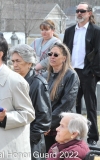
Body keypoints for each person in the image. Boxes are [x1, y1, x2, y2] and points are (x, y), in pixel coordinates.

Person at [63, 2, 100, 147]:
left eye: (82, 11)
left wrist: (94, 73)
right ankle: (76, 134)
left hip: (88, 73)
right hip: (72, 72)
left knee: (90, 106)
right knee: (73, 105)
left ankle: (93, 136)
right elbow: (65, 51)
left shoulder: (96, 30)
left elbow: (98, 53)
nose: (79, 13)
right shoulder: (69, 31)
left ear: (89, 13)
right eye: (77, 11)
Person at [9, 44, 51, 160]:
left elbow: (44, 118)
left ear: (29, 62)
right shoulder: (12, 81)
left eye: (18, 61)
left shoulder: (38, 83)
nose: (15, 65)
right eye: (13, 61)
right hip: (14, 139)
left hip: (31, 144)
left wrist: (29, 138)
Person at [44, 42, 79, 152]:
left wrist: (48, 123)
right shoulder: (45, 75)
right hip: (46, 125)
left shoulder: (71, 75)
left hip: (61, 126)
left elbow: (66, 104)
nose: (52, 57)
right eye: (50, 54)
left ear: (64, 58)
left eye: (56, 55)